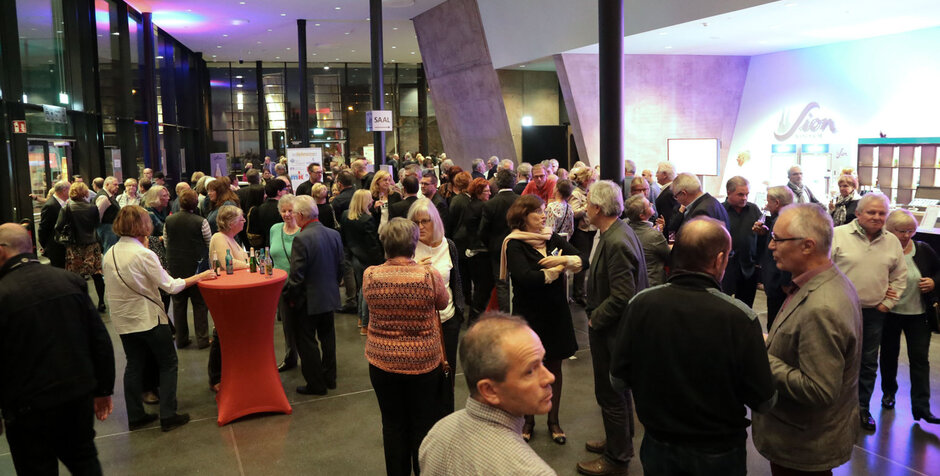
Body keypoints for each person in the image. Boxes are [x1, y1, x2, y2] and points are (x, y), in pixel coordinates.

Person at [611, 217, 776, 476]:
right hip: (719, 452)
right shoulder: (740, 317)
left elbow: (618, 380)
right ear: (719, 259)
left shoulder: (640, 304)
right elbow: (764, 401)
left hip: (657, 446)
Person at [748, 203, 862, 475]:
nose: (771, 246)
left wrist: (756, 354)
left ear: (808, 246)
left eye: (777, 239)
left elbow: (818, 389)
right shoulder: (821, 282)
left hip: (803, 444)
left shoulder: (822, 305)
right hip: (803, 438)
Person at [0, 223, 115, 475]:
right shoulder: (69, 281)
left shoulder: (4, 294)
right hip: (77, 398)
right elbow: (99, 339)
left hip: (27, 409)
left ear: (2, 252)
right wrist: (104, 389)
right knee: (85, 462)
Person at [103, 206, 216, 432]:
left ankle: (135, 416)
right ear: (141, 225)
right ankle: (168, 414)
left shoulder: (110, 253)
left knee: (134, 365)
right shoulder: (144, 254)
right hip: (148, 318)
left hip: (124, 320)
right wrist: (201, 276)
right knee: (168, 363)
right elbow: (171, 286)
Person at [362, 218, 450, 476]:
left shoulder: (371, 275)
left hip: (382, 361)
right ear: (413, 244)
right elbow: (443, 304)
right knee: (422, 423)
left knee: (392, 424)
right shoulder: (429, 276)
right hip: (423, 362)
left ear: (385, 244)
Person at [419, 314, 557, 476]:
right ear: (489, 390)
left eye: (543, 361)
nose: (550, 377)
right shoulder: (533, 472)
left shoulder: (439, 433)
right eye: (530, 371)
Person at [578, 180, 648, 476]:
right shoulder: (617, 232)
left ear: (597, 207)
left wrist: (596, 318)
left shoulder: (616, 240)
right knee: (617, 389)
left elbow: (622, 294)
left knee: (609, 392)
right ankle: (619, 440)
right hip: (615, 328)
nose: (585, 209)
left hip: (612, 329)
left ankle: (617, 457)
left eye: (588, 204)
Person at [501, 195, 582, 444]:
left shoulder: (550, 237)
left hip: (556, 313)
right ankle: (528, 421)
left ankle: (553, 421)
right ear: (523, 217)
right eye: (537, 212)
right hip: (530, 316)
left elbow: (581, 259)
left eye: (543, 210)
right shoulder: (514, 244)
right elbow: (525, 278)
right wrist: (554, 272)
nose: (543, 215)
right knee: (528, 368)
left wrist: (562, 260)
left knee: (555, 368)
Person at [831, 192, 907, 432]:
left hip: (874, 313)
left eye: (882, 213)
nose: (877, 217)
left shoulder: (892, 241)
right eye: (871, 212)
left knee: (867, 363)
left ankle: (861, 408)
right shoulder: (838, 235)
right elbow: (823, 270)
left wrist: (888, 303)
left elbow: (899, 277)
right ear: (858, 213)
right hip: (838, 311)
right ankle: (833, 409)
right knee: (835, 359)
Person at [879, 209, 940, 424]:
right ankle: (888, 393)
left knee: (920, 360)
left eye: (911, 231)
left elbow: (938, 271)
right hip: (890, 313)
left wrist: (934, 282)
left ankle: (922, 407)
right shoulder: (882, 250)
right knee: (888, 355)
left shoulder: (923, 249)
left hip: (918, 315)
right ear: (889, 230)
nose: (906, 235)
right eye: (901, 231)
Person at [282, 195, 344, 395]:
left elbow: (297, 276)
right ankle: (330, 378)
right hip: (329, 296)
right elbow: (341, 267)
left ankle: (316, 384)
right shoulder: (333, 234)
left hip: (308, 301)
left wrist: (291, 298)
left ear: (300, 215)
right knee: (328, 338)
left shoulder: (301, 238)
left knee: (307, 342)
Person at [409, 198, 465, 411]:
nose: (420, 227)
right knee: (423, 380)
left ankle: (447, 419)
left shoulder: (448, 245)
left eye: (425, 221)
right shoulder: (409, 247)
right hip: (420, 325)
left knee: (447, 376)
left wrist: (459, 313)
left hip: (448, 321)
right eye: (416, 222)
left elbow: (457, 279)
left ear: (436, 222)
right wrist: (413, 271)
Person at [206, 205, 250, 391]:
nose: (244, 221)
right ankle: (216, 377)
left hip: (235, 292)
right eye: (241, 219)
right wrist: (251, 262)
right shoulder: (219, 238)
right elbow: (227, 263)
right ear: (232, 223)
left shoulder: (231, 238)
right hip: (224, 293)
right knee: (221, 334)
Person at [164, 189, 212, 349]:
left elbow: (166, 242)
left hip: (175, 266)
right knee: (199, 304)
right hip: (196, 268)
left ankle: (181, 339)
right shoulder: (201, 221)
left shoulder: (168, 220)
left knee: (178, 304)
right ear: (195, 203)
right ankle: (203, 339)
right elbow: (209, 243)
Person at [56, 182, 107, 312]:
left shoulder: (66, 208)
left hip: (75, 246)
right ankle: (101, 302)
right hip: (92, 244)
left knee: (76, 276)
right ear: (85, 192)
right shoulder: (93, 208)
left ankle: (82, 303)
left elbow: (58, 226)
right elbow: (96, 224)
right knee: (96, 274)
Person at [341, 190, 386, 333]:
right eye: (369, 199)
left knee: (362, 289)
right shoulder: (367, 220)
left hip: (354, 257)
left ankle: (361, 319)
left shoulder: (346, 215)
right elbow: (373, 244)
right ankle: (366, 325)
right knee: (368, 290)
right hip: (368, 259)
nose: (372, 201)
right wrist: (381, 261)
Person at [754, 186, 795, 330]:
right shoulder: (783, 218)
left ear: (777, 203)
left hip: (779, 284)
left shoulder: (784, 221)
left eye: (768, 202)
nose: (766, 205)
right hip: (776, 281)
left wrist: (785, 281)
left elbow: (787, 252)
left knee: (776, 326)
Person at [480, 169, 520, 312]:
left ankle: (505, 315)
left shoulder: (490, 204)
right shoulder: (520, 201)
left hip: (497, 248)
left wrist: (490, 244)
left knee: (502, 283)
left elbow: (483, 231)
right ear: (514, 181)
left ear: (497, 183)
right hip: (518, 246)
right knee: (518, 281)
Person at [270, 195, 301, 371]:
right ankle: (290, 357)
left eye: (290, 211)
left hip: (299, 286)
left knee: (303, 327)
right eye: (283, 211)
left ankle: (309, 359)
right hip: (280, 286)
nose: (287, 214)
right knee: (287, 326)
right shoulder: (274, 229)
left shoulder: (303, 231)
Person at [721, 176, 762, 307]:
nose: (744, 198)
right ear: (729, 193)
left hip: (748, 268)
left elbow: (762, 237)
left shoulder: (754, 210)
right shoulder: (719, 210)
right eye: (740, 194)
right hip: (725, 269)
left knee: (746, 308)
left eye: (746, 194)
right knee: (723, 306)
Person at [662, 173, 730, 237]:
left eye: (676, 196)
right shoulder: (713, 202)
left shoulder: (700, 212)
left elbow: (696, 244)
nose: (677, 200)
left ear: (683, 194)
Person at [624, 195, 669, 286]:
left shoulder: (625, 229)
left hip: (633, 282)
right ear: (642, 215)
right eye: (648, 205)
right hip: (652, 283)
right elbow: (669, 257)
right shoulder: (655, 236)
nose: (652, 204)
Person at [570, 166, 598, 305]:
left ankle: (580, 292)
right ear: (586, 180)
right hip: (581, 231)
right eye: (592, 179)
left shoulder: (588, 192)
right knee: (582, 261)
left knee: (585, 261)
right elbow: (574, 212)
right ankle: (578, 293)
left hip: (590, 229)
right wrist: (586, 207)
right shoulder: (576, 193)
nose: (594, 182)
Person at [143, 184, 172, 309]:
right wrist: (161, 238)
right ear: (156, 198)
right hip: (153, 253)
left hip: (161, 251)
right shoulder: (149, 214)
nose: (168, 198)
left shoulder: (163, 210)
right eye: (164, 196)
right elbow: (144, 236)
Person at [247, 178, 287, 248]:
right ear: (279, 192)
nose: (286, 192)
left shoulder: (259, 208)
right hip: (281, 244)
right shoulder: (283, 209)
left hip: (264, 245)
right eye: (285, 190)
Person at [39, 180, 69, 268]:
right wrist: (46, 246)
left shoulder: (64, 203)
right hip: (55, 247)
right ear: (64, 190)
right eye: (70, 189)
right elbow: (43, 228)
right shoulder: (50, 205)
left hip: (63, 246)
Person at [95, 176, 121, 254]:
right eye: (115, 185)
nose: (117, 187)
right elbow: (97, 216)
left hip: (110, 229)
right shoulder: (103, 197)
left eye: (117, 185)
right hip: (106, 229)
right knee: (109, 252)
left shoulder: (109, 196)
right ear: (106, 185)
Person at [654, 162, 678, 238]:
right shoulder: (670, 189)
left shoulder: (669, 192)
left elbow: (669, 218)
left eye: (657, 172)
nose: (656, 175)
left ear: (664, 175)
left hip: (666, 235)